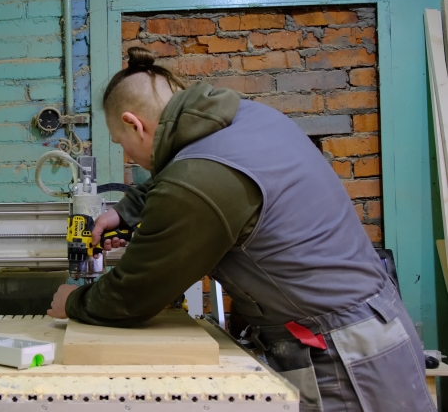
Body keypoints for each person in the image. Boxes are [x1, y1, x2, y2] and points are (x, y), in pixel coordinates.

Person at [46, 46, 434, 412]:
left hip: (345, 354)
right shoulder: (244, 117)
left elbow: (133, 296)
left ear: (135, 124)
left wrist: (74, 303)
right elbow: (185, 173)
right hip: (371, 323)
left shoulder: (198, 180)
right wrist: (127, 211)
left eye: (122, 143)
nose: (128, 156)